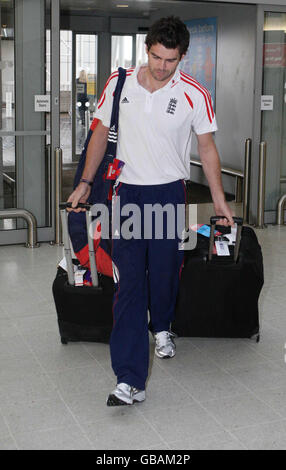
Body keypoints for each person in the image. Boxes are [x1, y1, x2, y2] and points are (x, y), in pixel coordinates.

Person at [67, 16, 234, 406]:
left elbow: (207, 150)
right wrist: (86, 182)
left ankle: (161, 326)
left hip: (168, 196)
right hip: (126, 197)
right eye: (157, 57)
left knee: (163, 274)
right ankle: (129, 379)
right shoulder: (119, 83)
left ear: (182, 57)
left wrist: (221, 199)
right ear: (147, 49)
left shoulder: (195, 94)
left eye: (170, 60)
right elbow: (97, 134)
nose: (162, 67)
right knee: (128, 287)